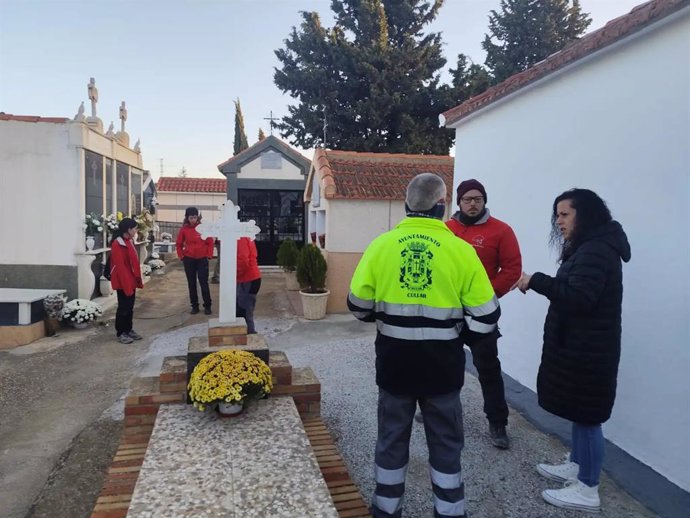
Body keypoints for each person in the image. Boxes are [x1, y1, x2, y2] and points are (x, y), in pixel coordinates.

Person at [348, 173, 500, 518]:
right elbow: (488, 316)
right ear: (443, 206)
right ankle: (449, 511)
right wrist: (459, 332)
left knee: (391, 440)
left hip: (394, 365)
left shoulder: (381, 246)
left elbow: (358, 306)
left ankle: (386, 509)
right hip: (442, 369)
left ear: (406, 205)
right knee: (446, 444)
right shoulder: (461, 251)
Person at [514, 188, 630, 513]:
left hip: (590, 350)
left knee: (589, 417)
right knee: (582, 411)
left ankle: (587, 488)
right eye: (557, 215)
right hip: (583, 346)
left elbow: (579, 298)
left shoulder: (596, 251)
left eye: (565, 215)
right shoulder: (589, 247)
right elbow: (575, 290)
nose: (559, 222)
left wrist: (535, 280)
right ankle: (579, 464)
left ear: (585, 215)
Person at [436, 179, 522, 449]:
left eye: (478, 199)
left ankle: (498, 423)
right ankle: (438, 412)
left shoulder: (501, 231)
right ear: (459, 202)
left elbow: (511, 270)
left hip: (481, 315)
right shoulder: (445, 230)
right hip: (449, 313)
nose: (473, 203)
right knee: (443, 364)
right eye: (467, 199)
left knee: (488, 368)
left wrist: (484, 297)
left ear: (484, 201)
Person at [109, 218, 144, 344]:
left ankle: (128, 329)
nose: (136, 230)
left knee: (130, 307)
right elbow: (120, 267)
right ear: (128, 230)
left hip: (130, 279)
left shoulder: (128, 241)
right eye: (134, 228)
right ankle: (121, 332)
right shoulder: (117, 244)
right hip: (123, 281)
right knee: (123, 308)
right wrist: (126, 285)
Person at [176, 207, 214, 315]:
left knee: (204, 283)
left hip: (202, 259)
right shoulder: (184, 229)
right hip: (189, 259)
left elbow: (210, 242)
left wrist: (209, 255)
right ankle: (194, 306)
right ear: (187, 218)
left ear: (198, 217)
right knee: (191, 283)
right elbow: (178, 244)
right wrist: (181, 256)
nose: (193, 220)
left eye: (195, 217)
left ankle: (207, 305)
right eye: (191, 217)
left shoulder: (203, 229)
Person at [236, 237, 261, 334]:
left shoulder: (241, 239)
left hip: (248, 279)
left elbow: (243, 260)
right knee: (242, 310)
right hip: (249, 278)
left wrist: (235, 274)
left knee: (245, 312)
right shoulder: (247, 237)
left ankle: (250, 335)